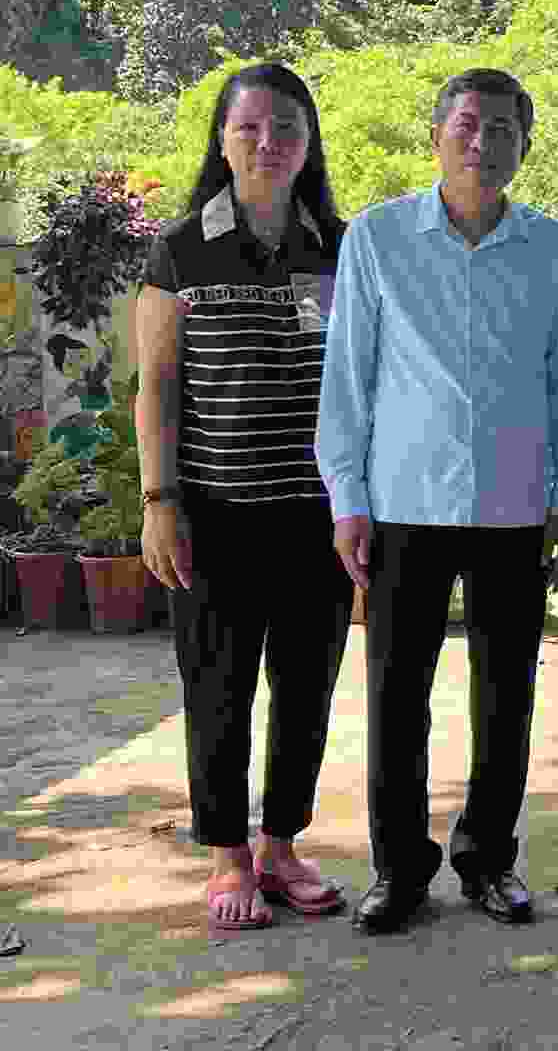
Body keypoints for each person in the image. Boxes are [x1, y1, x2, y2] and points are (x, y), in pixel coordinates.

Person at [318, 68, 558, 937]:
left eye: (506, 128)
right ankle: (399, 869)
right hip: (404, 502)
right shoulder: (377, 238)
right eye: (470, 125)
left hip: (515, 505)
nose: (485, 143)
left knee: (505, 694)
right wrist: (348, 498)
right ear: (437, 132)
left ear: (526, 142)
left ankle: (488, 860)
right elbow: (349, 379)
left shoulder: (550, 248)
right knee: (397, 697)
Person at [136, 63, 353, 932]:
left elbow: (364, 381)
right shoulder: (180, 247)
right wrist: (161, 501)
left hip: (316, 519)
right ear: (222, 141)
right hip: (215, 516)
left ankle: (280, 846)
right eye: (250, 128)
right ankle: (227, 851)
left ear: (309, 144)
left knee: (307, 686)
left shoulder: (339, 247)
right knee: (218, 687)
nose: (269, 143)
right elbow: (154, 383)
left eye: (287, 128)